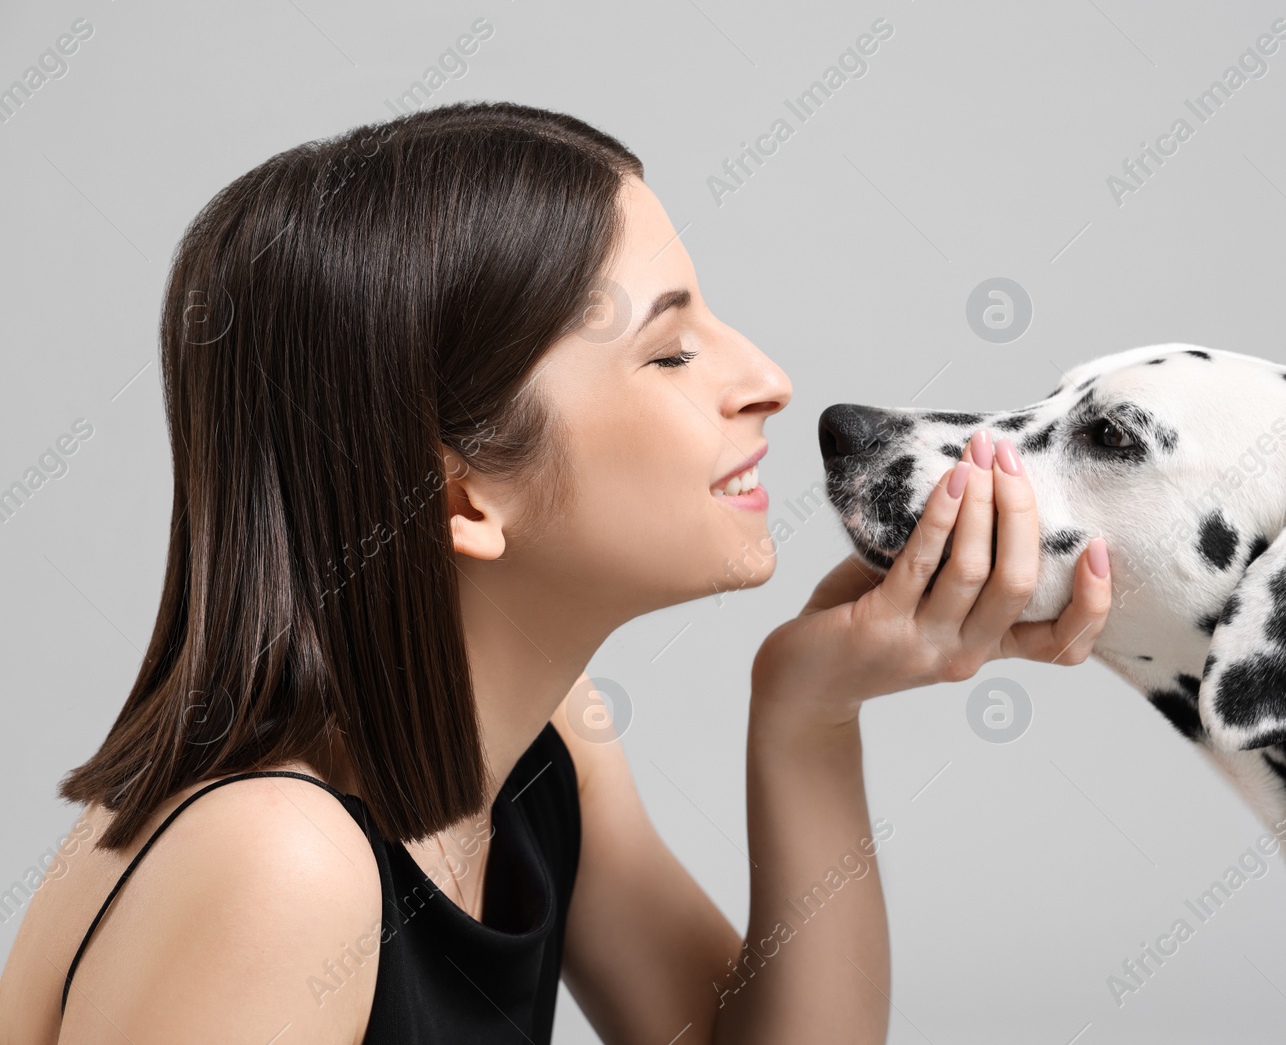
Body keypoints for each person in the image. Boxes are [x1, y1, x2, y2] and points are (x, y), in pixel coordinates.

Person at [0, 101, 1113, 1044]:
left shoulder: (544, 748)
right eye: (669, 352)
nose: (769, 379)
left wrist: (809, 711)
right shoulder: (277, 863)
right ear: (460, 499)